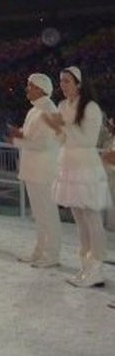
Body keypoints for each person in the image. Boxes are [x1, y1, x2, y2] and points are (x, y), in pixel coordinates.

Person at [44, 66, 112, 288]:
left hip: (86, 167)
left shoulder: (91, 107)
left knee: (92, 219)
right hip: (69, 166)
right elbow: (65, 139)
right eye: (61, 81)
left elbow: (87, 140)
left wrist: (62, 126)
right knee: (79, 220)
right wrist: (56, 130)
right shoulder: (64, 105)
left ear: (78, 84)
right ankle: (85, 265)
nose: (63, 85)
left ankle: (97, 268)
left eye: (67, 81)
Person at [5, 73, 62, 267]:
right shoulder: (34, 110)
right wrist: (19, 133)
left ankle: (52, 254)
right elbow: (31, 137)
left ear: (41, 89)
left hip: (44, 170)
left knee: (48, 214)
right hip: (33, 169)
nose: (27, 89)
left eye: (31, 86)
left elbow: (43, 143)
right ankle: (40, 251)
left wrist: (17, 140)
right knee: (39, 214)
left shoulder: (48, 109)